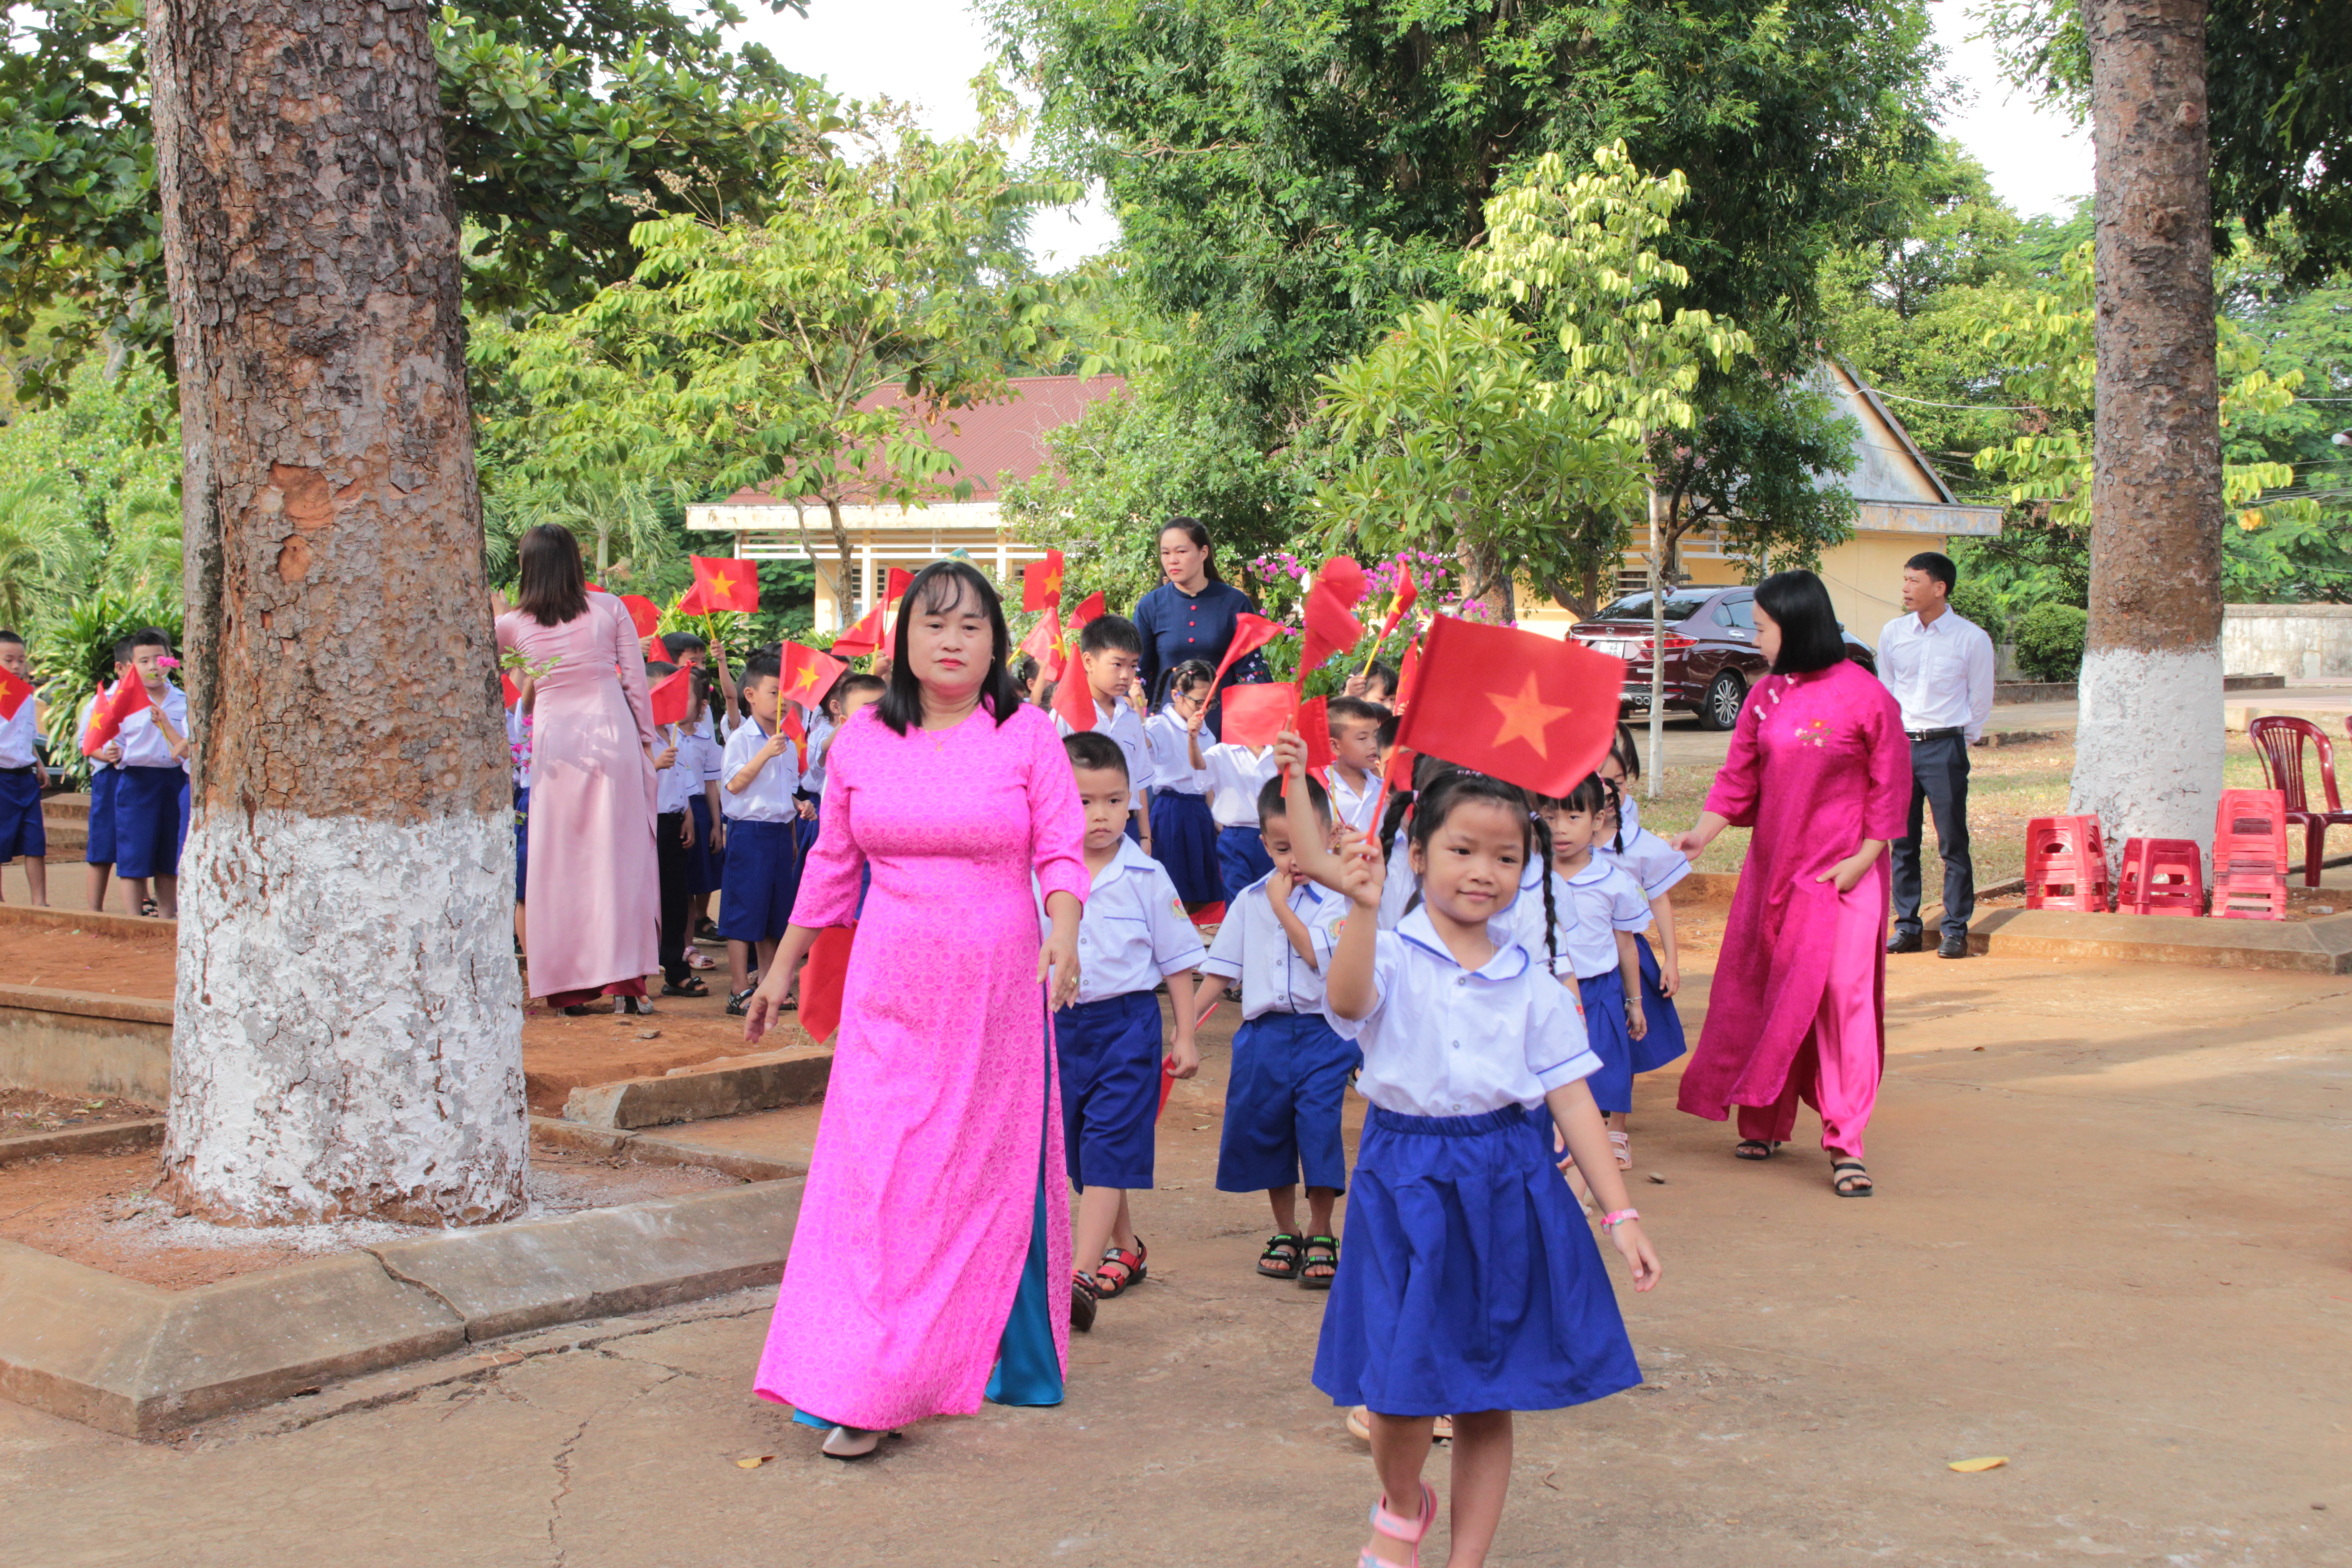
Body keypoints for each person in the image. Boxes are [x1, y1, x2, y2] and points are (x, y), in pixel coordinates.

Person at [741, 560, 1087, 1462]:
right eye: (934, 625)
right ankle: (864, 1361)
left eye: (972, 626)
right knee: (882, 1177)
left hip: (995, 993)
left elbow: (1061, 851)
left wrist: (1066, 933)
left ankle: (904, 1378)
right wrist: (779, 973)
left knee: (965, 1175)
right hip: (889, 993)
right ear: (902, 642)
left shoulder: (1028, 736)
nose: (952, 641)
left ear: (997, 644)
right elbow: (829, 866)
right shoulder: (861, 740)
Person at [1278, 757, 1659, 1568]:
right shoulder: (1384, 950)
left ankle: (1466, 1559)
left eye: (1505, 857)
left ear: (1526, 871)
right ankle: (1402, 1502)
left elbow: (1571, 1101)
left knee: (1490, 1389)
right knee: (1393, 1383)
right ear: (1415, 852)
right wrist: (1358, 906)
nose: (1482, 872)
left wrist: (1618, 1213)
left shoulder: (1535, 987)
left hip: (1504, 1183)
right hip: (1401, 1180)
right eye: (1460, 850)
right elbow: (1345, 1004)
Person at [1667, 569, 1910, 1198]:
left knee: (1840, 998)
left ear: (1796, 627)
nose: (1757, 639)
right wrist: (1701, 835)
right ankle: (1764, 1118)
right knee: (1768, 988)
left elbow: (1892, 786)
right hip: (1775, 869)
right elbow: (1738, 777)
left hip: (1843, 877)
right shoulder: (1765, 696)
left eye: (1763, 628)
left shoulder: (1867, 696)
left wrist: (1866, 857)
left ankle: (1845, 1141)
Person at [1055, 731, 1205, 1316]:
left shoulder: (1147, 876)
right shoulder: (1042, 872)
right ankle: (1125, 1247)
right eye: (1084, 801)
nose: (1101, 815)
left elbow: (1177, 963)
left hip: (1127, 1027)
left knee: (1108, 1143)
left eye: (1115, 801)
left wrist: (1184, 1033)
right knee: (1082, 1154)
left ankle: (1079, 1275)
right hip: (1059, 1029)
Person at [1195, 773, 1354, 1289]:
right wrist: (1184, 1031)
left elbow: (1316, 956)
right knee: (1267, 1130)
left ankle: (1322, 1228)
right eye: (1282, 848)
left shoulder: (1339, 900)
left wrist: (1283, 906)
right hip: (1263, 1036)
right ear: (1264, 843)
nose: (1294, 860)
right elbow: (1221, 971)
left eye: (1305, 846)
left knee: (1318, 1127)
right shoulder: (1249, 900)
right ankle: (1286, 1231)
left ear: (1329, 836)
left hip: (1323, 1034)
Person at [495, 524, 661, 1016]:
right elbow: (635, 682)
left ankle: (567, 988)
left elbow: (498, 675)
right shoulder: (609, 608)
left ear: (528, 567)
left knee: (560, 864)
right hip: (612, 738)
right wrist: (647, 746)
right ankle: (627, 984)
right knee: (620, 858)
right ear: (574, 562)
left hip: (557, 744)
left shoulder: (512, 624)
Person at [1536, 775, 1681, 1173]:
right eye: (1549, 817)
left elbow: (1626, 947)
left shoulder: (1616, 881)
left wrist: (1634, 1003)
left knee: (1596, 1085)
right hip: (1540, 993)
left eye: (1573, 816)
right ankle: (1553, 1164)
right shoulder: (1528, 875)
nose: (1560, 828)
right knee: (1544, 1084)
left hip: (1599, 994)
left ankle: (1587, 1174)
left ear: (1597, 819)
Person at [1877, 551, 1996, 959]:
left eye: (1914, 581)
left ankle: (1955, 928)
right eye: (1905, 579)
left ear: (1939, 588)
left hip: (1946, 746)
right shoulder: (1894, 633)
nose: (1906, 588)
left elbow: (1980, 700)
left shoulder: (1972, 639)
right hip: (1900, 746)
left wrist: (1959, 743)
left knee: (1952, 842)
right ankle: (1907, 926)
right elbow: (1887, 689)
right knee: (1902, 841)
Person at [1594, 726, 1690, 1098]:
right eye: (1601, 781)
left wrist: (1671, 960)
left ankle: (1616, 1123)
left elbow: (1660, 899)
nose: (1609, 792)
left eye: (1618, 782)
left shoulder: (1639, 843)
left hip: (1625, 953)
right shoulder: (1562, 841)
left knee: (1626, 1037)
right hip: (1575, 954)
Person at [719, 651, 803, 1016]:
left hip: (780, 834)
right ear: (750, 695)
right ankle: (739, 989)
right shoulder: (743, 739)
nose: (781, 702)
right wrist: (765, 754)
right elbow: (735, 785)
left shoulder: (787, 741)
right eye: (773, 693)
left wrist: (801, 806)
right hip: (749, 834)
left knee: (775, 913)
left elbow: (785, 791)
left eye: (786, 695)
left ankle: (769, 987)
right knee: (743, 912)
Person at [1133, 518, 1268, 734]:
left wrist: (1252, 729)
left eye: (1181, 552)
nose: (1172, 561)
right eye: (1165, 553)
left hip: (1222, 725)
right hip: (1165, 727)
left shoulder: (1234, 602)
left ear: (1203, 552)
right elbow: (1140, 671)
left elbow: (1250, 672)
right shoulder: (1151, 606)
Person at [103, 629, 189, 919]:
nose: (154, 666)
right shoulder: (123, 703)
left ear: (171, 661)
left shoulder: (183, 700)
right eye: (144, 661)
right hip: (137, 781)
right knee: (134, 853)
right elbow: (114, 744)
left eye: (159, 658)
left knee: (170, 855)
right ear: (131, 666)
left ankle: (167, 918)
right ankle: (134, 921)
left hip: (175, 781)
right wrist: (112, 753)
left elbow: (189, 743)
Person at [1053, 615, 1153, 847]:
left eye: (1133, 665)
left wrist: (1145, 836)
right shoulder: (1065, 714)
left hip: (1125, 828)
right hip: (1078, 827)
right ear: (1088, 661)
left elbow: (1140, 781)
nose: (1126, 675)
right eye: (1117, 664)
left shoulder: (1130, 718)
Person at [645, 662, 707, 1000]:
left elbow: (681, 780)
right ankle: (634, 976)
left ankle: (675, 969)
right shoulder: (635, 737)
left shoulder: (673, 734)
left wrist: (687, 814)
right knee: (642, 901)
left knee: (675, 899)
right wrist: (653, 765)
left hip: (672, 823)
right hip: (644, 824)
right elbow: (623, 783)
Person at [1143, 660, 1221, 910]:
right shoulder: (1159, 726)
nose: (1204, 709)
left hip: (1200, 813)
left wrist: (1217, 820)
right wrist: (1136, 709)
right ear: (1177, 695)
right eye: (1199, 702)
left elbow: (1207, 782)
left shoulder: (1207, 733)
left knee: (1201, 889)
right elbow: (1134, 748)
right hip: (1172, 812)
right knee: (1173, 889)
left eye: (1210, 703)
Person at [1190, 706, 1279, 903]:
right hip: (1237, 835)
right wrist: (1193, 739)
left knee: (1272, 894)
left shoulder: (1279, 753)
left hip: (1274, 834)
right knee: (1238, 896)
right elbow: (1200, 765)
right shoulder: (1224, 751)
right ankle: (1238, 934)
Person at [0, 630, 45, 906]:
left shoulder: (26, 696)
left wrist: (38, 763)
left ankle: (40, 902)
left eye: (21, 660)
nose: (17, 666)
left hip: (25, 777)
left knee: (35, 842)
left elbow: (27, 735)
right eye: (9, 660)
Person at [1323, 695, 1388, 835]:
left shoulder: (1386, 785)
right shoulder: (1320, 789)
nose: (1373, 745)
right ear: (1335, 746)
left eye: (1376, 736)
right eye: (1362, 738)